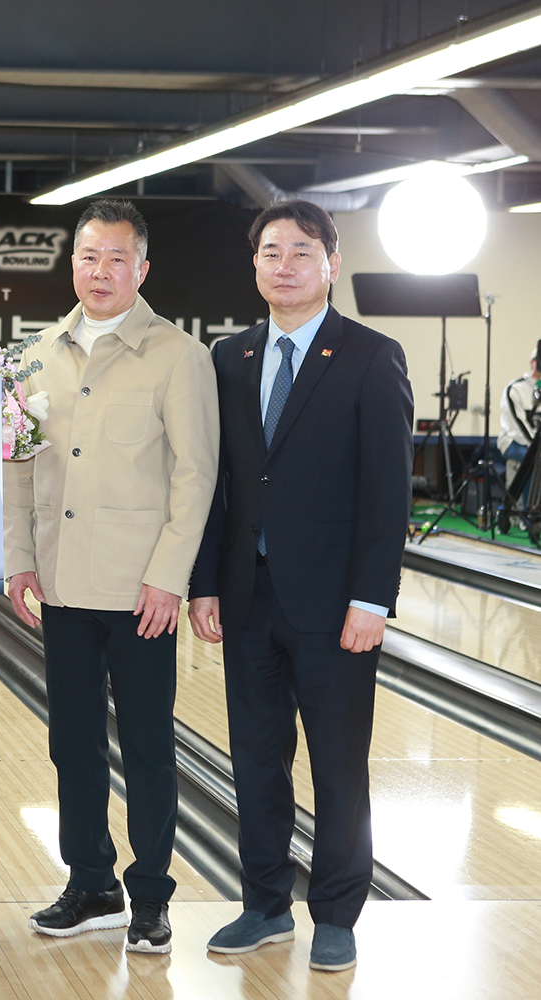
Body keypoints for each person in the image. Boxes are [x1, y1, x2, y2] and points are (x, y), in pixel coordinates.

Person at [188, 200, 413, 973]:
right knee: (255, 758)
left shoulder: (371, 356)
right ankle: (264, 905)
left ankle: (338, 914)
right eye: (271, 253)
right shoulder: (230, 357)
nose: (284, 266)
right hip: (246, 594)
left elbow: (388, 491)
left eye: (301, 252)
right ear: (254, 265)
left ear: (331, 264)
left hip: (335, 603)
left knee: (338, 764)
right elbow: (215, 482)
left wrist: (372, 599)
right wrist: (205, 584)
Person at [3, 199, 218, 956]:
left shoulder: (179, 356)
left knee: (149, 747)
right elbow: (18, 466)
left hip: (139, 594)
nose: (101, 271)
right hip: (62, 586)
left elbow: (196, 475)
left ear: (143, 269)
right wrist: (18, 557)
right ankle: (91, 881)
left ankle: (151, 893)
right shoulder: (34, 355)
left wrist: (169, 578)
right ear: (73, 264)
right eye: (89, 256)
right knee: (73, 745)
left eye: (117, 258)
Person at [499, 353, 539, 489]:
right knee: (533, 460)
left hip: (535, 444)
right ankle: (527, 502)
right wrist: (536, 446)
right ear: (532, 362)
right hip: (514, 442)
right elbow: (516, 426)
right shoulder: (516, 388)